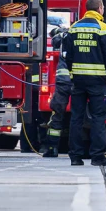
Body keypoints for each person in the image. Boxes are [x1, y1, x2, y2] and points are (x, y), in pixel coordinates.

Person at [62, 0, 106, 166]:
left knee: (76, 117)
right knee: (98, 118)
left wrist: (72, 73)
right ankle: (97, 156)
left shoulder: (74, 27)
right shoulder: (103, 28)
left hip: (78, 80)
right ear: (99, 8)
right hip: (97, 81)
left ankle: (76, 157)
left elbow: (68, 55)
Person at [40, 23, 72, 157]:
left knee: (57, 114)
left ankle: (52, 148)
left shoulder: (63, 35)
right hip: (80, 81)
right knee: (78, 117)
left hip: (63, 81)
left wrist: (60, 30)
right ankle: (78, 151)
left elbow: (54, 39)